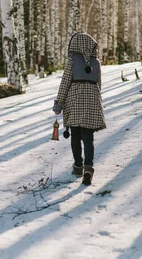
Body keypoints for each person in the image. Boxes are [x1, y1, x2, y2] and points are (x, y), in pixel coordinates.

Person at [53, 32, 106, 185]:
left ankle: (78, 166)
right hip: (92, 101)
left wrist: (59, 103)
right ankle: (89, 167)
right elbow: (99, 85)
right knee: (88, 137)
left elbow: (65, 83)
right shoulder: (96, 62)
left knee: (75, 135)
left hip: (74, 101)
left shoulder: (72, 61)